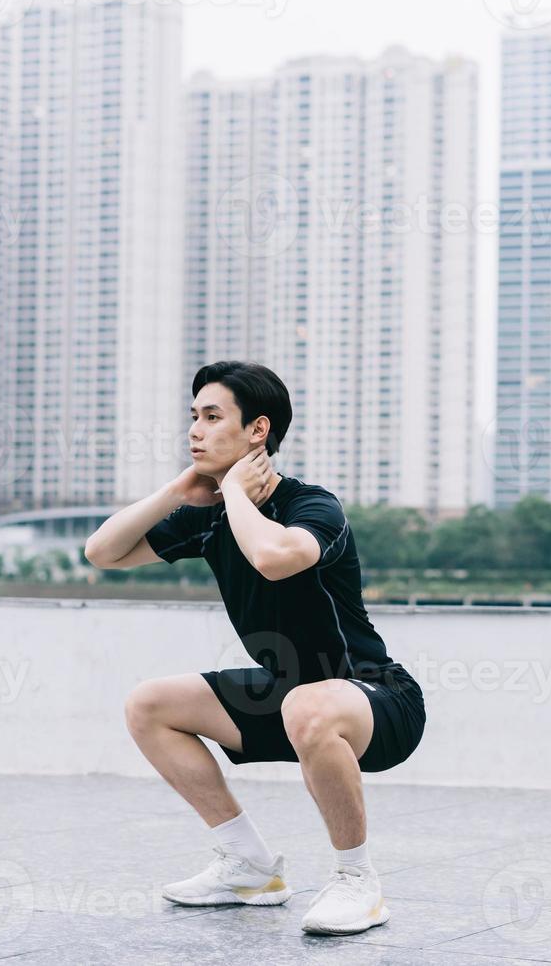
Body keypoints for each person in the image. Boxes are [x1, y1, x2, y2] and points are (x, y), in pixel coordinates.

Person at [84, 361, 425, 936]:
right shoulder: (207, 516)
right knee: (151, 704)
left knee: (308, 705)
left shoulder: (312, 504)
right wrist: (177, 491)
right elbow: (103, 552)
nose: (195, 429)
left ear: (257, 431)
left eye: (212, 417)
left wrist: (234, 494)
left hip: (377, 700)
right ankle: (248, 866)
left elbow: (275, 557)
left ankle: (356, 882)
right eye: (193, 416)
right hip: (290, 699)